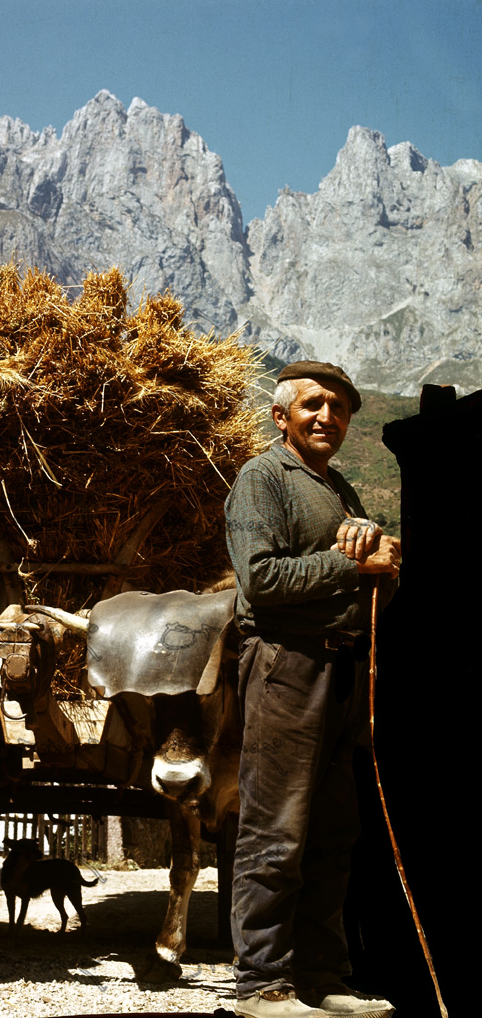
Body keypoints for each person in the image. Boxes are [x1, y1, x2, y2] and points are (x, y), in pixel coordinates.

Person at [224, 361, 401, 1018]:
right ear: (281, 416)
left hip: (341, 670)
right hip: (284, 665)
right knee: (275, 828)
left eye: (340, 408)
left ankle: (321, 977)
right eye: (313, 404)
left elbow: (370, 579)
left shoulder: (340, 491)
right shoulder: (261, 479)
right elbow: (262, 581)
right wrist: (354, 560)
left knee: (331, 832)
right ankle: (261, 985)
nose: (328, 416)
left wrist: (382, 563)